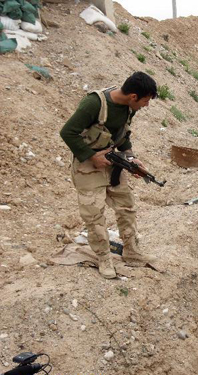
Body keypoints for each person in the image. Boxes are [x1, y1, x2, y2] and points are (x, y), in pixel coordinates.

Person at [60, 72, 158, 279]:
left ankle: (132, 252)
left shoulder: (129, 108)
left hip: (113, 162)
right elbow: (67, 132)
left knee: (127, 207)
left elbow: (122, 135)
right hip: (88, 166)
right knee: (94, 215)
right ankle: (104, 258)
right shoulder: (94, 104)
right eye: (145, 101)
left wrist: (131, 158)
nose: (146, 105)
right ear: (133, 96)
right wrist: (91, 156)